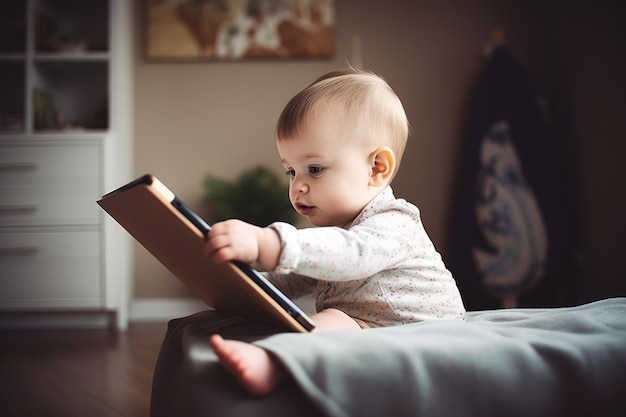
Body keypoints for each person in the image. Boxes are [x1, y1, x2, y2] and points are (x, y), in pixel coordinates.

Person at [204, 67, 465, 395]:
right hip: (369, 323)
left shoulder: (395, 221)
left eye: (314, 169)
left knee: (331, 324)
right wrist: (247, 288)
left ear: (376, 168)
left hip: (425, 330)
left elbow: (350, 256)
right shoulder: (337, 229)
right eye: (290, 171)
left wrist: (265, 242)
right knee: (336, 321)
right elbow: (299, 275)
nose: (298, 186)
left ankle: (272, 362)